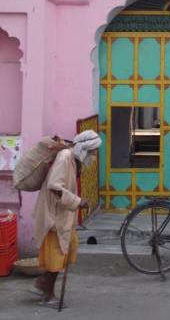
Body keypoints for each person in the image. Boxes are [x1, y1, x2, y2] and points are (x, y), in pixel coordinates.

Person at [29, 130, 102, 309]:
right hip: (54, 214)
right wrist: (77, 201)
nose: (95, 153)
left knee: (71, 245)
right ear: (85, 148)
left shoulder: (75, 159)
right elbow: (55, 186)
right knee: (59, 251)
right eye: (94, 150)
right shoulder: (65, 157)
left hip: (63, 214)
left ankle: (42, 282)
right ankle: (48, 295)